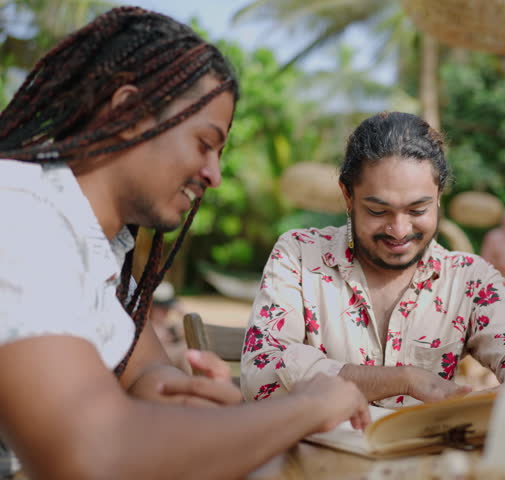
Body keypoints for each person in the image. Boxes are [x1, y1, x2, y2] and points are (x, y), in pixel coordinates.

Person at [0, 7, 368, 480]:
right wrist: (306, 407)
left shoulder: (100, 250)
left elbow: (147, 374)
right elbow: (90, 454)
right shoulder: (21, 211)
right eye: (203, 143)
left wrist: (182, 396)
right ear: (127, 112)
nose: (214, 175)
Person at [242, 112, 505, 407]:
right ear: (347, 196)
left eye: (418, 210)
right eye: (378, 211)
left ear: (439, 196)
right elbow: (261, 377)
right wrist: (403, 379)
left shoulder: (470, 279)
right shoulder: (300, 255)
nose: (400, 231)